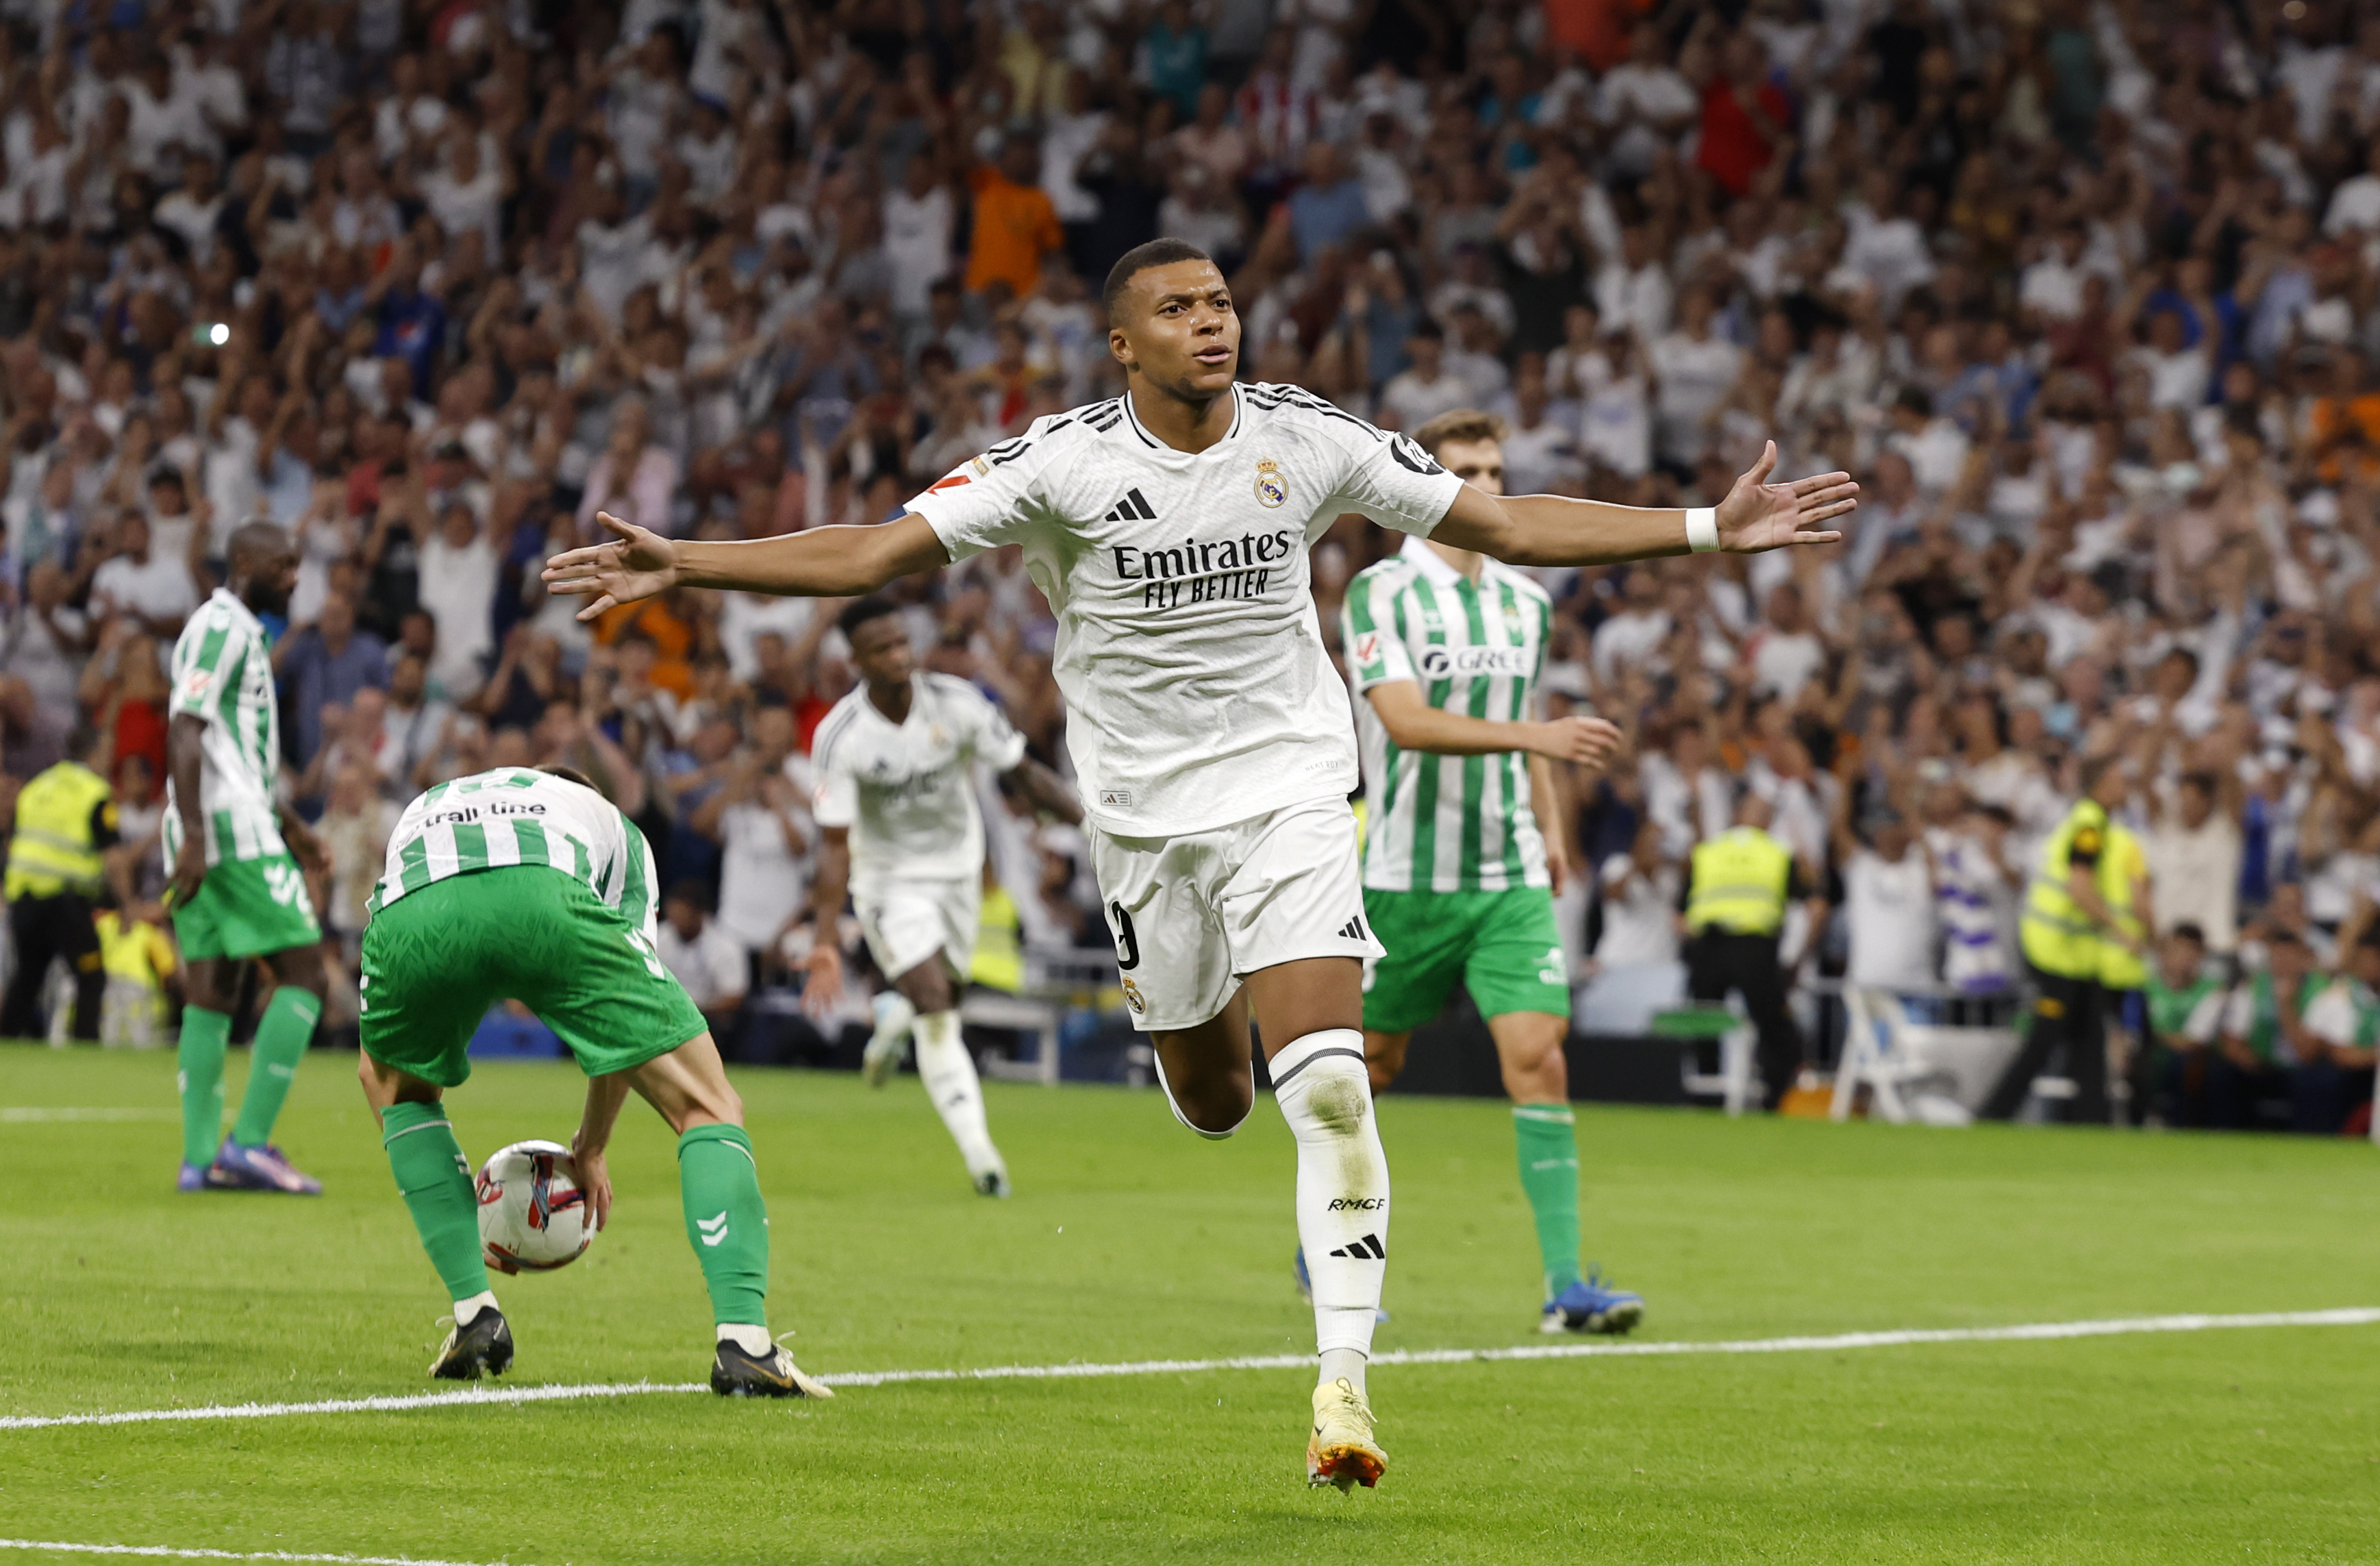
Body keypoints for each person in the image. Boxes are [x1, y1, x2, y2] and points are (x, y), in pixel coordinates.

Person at [542, 237, 1854, 1489]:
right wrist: (689, 566)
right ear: (1121, 345)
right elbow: (874, 553)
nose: (1212, 319)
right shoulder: (1057, 465)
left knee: (1331, 1086)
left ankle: (1344, 1383)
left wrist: (1703, 527)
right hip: (1147, 826)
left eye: (1220, 300)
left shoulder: (1306, 433)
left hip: (1292, 790)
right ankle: (1203, 1013)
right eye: (1178, 308)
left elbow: (1500, 524)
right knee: (1220, 1100)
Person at [355, 764, 829, 1396]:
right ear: (588, 794)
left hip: (413, 912)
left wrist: (461, 1209)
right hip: (542, 898)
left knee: (394, 1090)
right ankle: (745, 1344)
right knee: (707, 1103)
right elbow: (628, 1042)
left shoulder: (438, 798)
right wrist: (592, 1146)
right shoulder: (614, 828)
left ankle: (475, 1311)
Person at [1336, 408, 1644, 1337]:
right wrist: (1535, 738)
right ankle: (1332, 1241)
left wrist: (1549, 826)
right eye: (1464, 471)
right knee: (1370, 1068)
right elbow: (1405, 720)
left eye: (1496, 470)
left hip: (1503, 872)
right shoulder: (1377, 592)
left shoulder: (1526, 600)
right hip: (1399, 875)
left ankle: (1564, 1285)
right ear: (1421, 487)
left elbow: (1525, 727)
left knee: (1538, 1058)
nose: (1486, 487)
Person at [802, 595, 1083, 1197]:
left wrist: (1089, 827)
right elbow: (832, 845)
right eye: (882, 649)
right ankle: (983, 1160)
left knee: (941, 997)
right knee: (938, 1003)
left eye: (902, 642)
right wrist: (826, 939)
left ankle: (893, 1020)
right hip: (888, 882)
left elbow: (1023, 772)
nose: (899, 656)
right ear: (856, 660)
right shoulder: (840, 736)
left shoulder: (957, 703)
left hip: (959, 874)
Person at [163, 523, 332, 1194]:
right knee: (307, 974)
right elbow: (185, 726)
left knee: (216, 989)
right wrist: (203, 835)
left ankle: (199, 1160)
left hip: (223, 824)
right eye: (283, 566)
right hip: (226, 833)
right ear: (243, 563)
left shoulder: (242, 633)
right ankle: (251, 1144)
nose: (294, 578)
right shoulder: (220, 627)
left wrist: (290, 823)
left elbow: (231, 751)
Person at [1983, 756, 2135, 1125]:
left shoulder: (2093, 822)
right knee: (2046, 1038)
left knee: (2089, 1041)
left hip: (2075, 956)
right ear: (2099, 785)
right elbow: (2079, 886)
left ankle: (2092, 1121)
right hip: (2053, 950)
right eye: (2117, 780)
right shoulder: (2089, 825)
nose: (2125, 787)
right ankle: (1994, 1114)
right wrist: (2118, 929)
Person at [1682, 792, 1825, 1109]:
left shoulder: (1708, 851)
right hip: (1755, 950)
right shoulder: (1777, 852)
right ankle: (1775, 1098)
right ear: (1768, 821)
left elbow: (1681, 910)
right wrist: (1797, 960)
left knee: (1705, 1025)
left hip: (1709, 948)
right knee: (1775, 1027)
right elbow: (1815, 904)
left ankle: (1704, 1100)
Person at [1, 724, 123, 1041]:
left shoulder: (36, 787)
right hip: (64, 902)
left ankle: (7, 1041)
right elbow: (112, 859)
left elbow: (13, 841)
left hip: (23, 900)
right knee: (91, 975)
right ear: (95, 752)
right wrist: (128, 904)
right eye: (107, 750)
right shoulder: (94, 792)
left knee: (28, 976)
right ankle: (85, 1046)